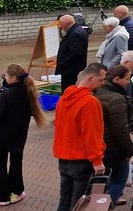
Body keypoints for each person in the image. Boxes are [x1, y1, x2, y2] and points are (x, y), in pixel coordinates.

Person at [0, 65, 46, 206]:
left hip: (3, 136)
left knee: (0, 164)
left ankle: (1, 196)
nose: (5, 79)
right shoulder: (29, 92)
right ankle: (17, 191)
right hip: (20, 136)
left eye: (5, 76)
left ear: (13, 78)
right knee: (16, 162)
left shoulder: (7, 95)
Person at [54, 63, 107, 211]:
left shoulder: (64, 98)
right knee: (79, 202)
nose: (103, 83)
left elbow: (58, 125)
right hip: (81, 158)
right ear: (90, 78)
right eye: (101, 79)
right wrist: (97, 160)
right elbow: (92, 134)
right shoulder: (90, 102)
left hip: (64, 157)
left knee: (64, 199)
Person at [94, 65, 133, 205]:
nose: (129, 82)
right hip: (112, 148)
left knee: (98, 182)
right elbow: (120, 130)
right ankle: (105, 206)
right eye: (128, 79)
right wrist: (129, 151)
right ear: (117, 79)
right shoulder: (117, 99)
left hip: (96, 147)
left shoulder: (95, 92)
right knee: (118, 180)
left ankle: (94, 204)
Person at [56, 14, 89, 93]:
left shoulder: (75, 34)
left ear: (65, 24)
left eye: (60, 24)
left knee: (68, 89)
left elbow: (76, 53)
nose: (60, 27)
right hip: (71, 67)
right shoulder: (76, 30)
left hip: (70, 68)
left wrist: (63, 63)